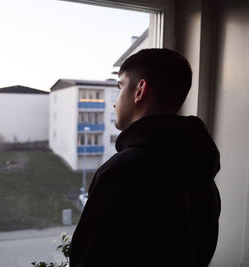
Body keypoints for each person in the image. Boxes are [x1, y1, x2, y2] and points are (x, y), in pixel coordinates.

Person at [69, 48, 221, 267]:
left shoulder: (122, 172)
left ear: (140, 90)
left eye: (120, 86)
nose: (114, 102)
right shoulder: (202, 171)